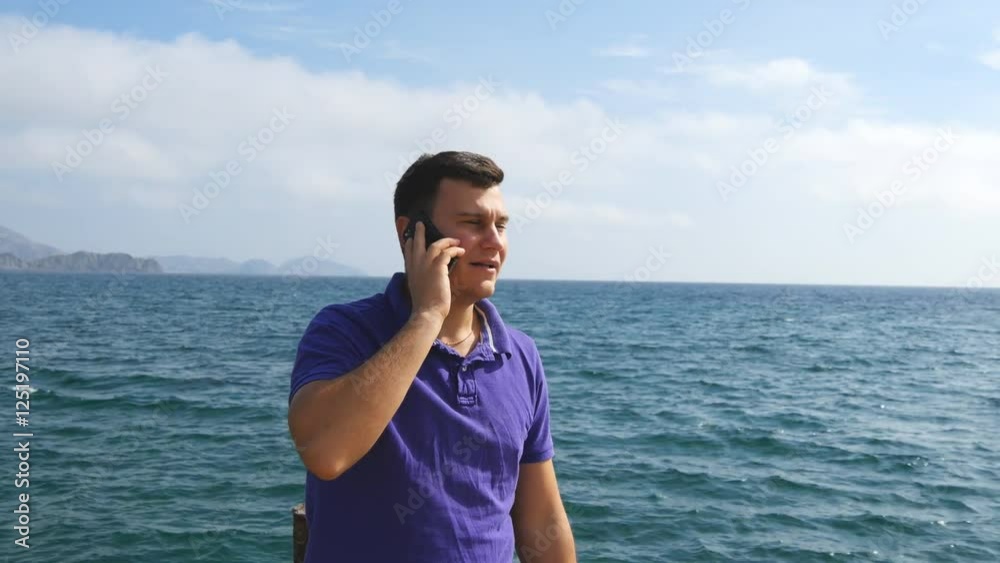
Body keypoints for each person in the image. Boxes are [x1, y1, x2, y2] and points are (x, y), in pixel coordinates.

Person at [287, 151, 577, 562]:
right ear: (411, 234)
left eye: (501, 226)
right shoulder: (345, 331)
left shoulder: (520, 356)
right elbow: (324, 450)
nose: (495, 242)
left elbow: (540, 518)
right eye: (473, 223)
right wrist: (427, 317)